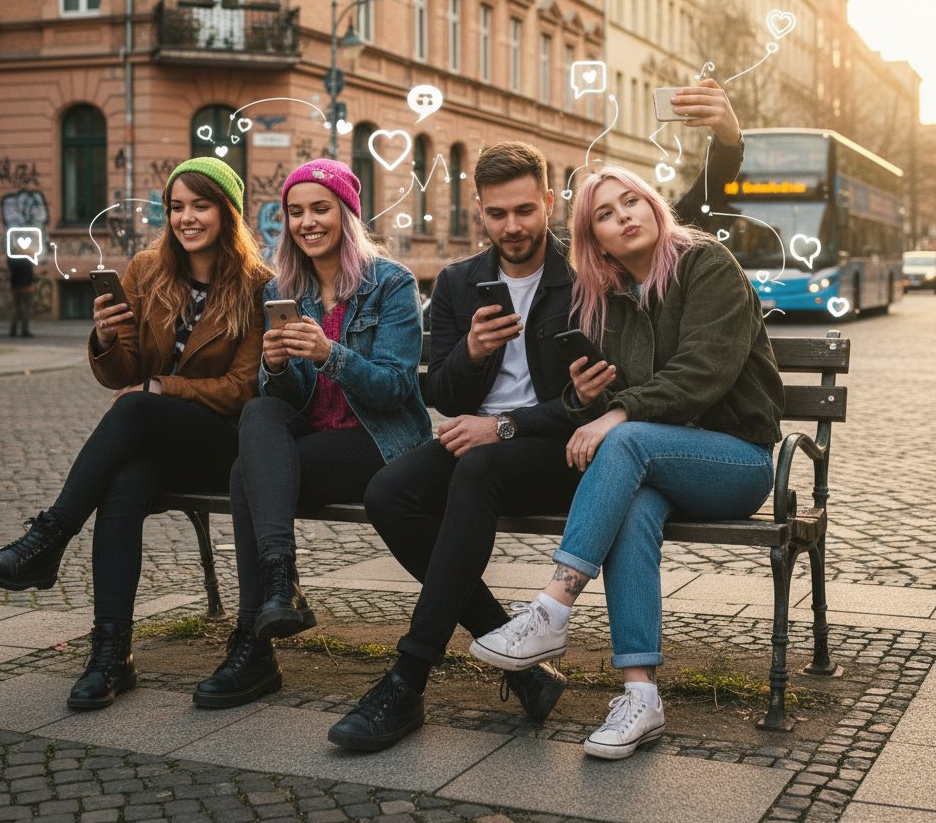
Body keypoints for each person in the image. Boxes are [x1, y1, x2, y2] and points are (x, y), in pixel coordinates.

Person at [328, 81, 746, 751]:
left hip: (560, 446)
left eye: (526, 210)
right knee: (390, 492)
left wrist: (726, 141)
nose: (513, 226)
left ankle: (407, 679)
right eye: (498, 214)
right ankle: (524, 669)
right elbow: (448, 395)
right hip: (486, 438)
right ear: (481, 212)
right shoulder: (461, 283)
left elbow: (680, 223)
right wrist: (469, 352)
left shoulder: (589, 271)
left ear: (548, 204)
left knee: (480, 467)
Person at [468, 165, 784, 760]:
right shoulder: (607, 298)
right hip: (658, 468)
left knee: (628, 440)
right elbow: (614, 398)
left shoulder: (707, 265)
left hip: (736, 462)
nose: (624, 218)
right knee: (633, 507)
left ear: (655, 207)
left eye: (631, 201)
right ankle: (640, 696)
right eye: (605, 215)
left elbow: (702, 373)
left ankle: (552, 608)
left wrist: (618, 416)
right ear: (596, 239)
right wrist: (585, 399)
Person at [0, 157, 269, 710]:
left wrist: (161, 389)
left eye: (200, 206)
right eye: (176, 206)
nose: (186, 218)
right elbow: (123, 373)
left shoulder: (255, 286)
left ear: (227, 213)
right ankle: (111, 654)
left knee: (134, 410)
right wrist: (107, 339)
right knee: (123, 485)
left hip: (224, 444)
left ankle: (48, 538)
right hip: (155, 438)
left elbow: (244, 388)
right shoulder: (146, 271)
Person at [192, 159, 431, 710]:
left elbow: (395, 389)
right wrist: (276, 367)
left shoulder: (389, 283)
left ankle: (254, 639)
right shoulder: (283, 288)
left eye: (320, 209)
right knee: (258, 417)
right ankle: (280, 584)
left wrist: (332, 355)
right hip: (315, 436)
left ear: (346, 214)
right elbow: (287, 400)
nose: (307, 222)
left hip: (379, 442)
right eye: (294, 212)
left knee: (245, 473)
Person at [8, 253, 35, 338]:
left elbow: (10, 266)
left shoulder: (12, 257)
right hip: (27, 286)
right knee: (26, 310)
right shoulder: (28, 257)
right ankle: (25, 331)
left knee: (16, 309)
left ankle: (13, 330)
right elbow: (33, 265)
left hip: (15, 286)